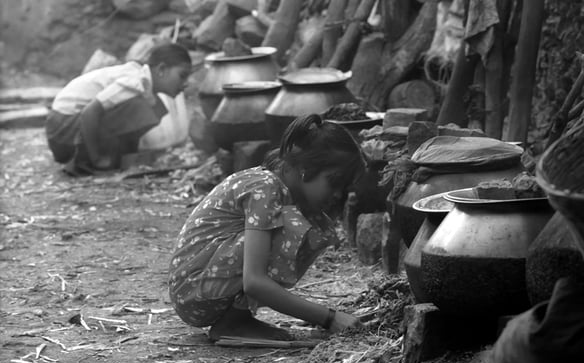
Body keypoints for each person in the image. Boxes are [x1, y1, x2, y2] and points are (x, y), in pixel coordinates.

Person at [169, 114, 366, 340]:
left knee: (312, 226)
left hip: (199, 290)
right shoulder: (266, 187)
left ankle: (237, 319)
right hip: (192, 292)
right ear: (305, 168)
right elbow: (254, 282)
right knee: (292, 228)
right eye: (334, 181)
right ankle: (233, 324)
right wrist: (330, 318)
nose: (338, 194)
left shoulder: (276, 187)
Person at [45, 43, 192, 175]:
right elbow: (89, 113)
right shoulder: (135, 82)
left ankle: (115, 158)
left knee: (153, 107)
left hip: (63, 127)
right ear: (161, 69)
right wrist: (97, 159)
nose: (186, 84)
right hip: (63, 130)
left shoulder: (141, 80)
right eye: (182, 76)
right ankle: (89, 161)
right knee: (141, 107)